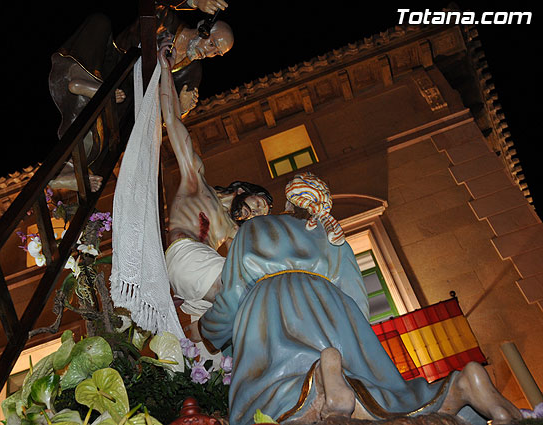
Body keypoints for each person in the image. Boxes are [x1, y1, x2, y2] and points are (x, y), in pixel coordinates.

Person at [195, 172, 522, 425]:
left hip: (273, 308)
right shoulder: (320, 227)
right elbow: (352, 288)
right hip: (333, 308)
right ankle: (461, 386)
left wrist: (208, 330)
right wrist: (350, 324)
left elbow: (232, 296)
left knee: (274, 390)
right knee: (380, 393)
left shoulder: (249, 234)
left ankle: (323, 379)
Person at [48, 0, 233, 191]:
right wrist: (193, 1)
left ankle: (69, 168)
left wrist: (183, 108)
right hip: (111, 65)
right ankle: (83, 78)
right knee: (99, 22)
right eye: (212, 43)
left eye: (216, 53)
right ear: (203, 27)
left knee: (109, 124)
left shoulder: (192, 71)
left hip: (128, 98)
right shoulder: (166, 18)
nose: (209, 53)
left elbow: (168, 119)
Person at [158, 41, 272, 329]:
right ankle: (204, 328)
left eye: (260, 216)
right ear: (242, 191)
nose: (255, 215)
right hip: (186, 256)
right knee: (250, 296)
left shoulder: (232, 231)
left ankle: (201, 332)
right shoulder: (196, 180)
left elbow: (245, 262)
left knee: (229, 338)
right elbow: (173, 122)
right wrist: (165, 72)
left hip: (198, 280)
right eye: (258, 205)